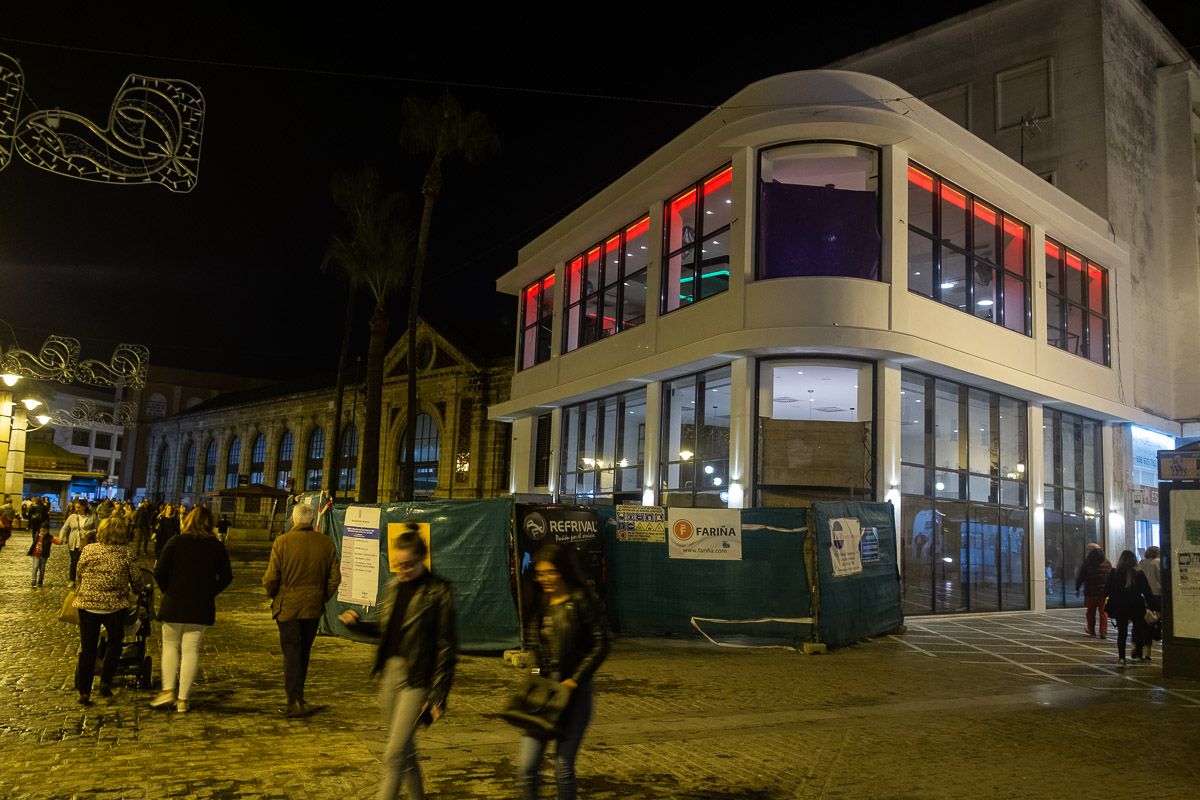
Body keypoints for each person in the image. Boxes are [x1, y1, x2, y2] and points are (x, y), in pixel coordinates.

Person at [338, 529, 457, 800]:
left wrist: (439, 693)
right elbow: (385, 630)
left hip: (417, 677)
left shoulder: (438, 592)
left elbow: (447, 646)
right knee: (404, 749)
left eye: (409, 565)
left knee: (393, 753)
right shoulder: (394, 586)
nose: (402, 571)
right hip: (390, 673)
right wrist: (357, 626)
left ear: (423, 560)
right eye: (398, 564)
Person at [516, 543, 610, 800]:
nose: (544, 579)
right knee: (526, 766)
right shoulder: (539, 600)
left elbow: (601, 643)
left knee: (562, 767)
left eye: (550, 573)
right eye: (540, 573)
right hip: (544, 690)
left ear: (564, 571)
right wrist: (534, 675)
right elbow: (534, 644)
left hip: (574, 692)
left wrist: (575, 680)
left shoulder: (582, 599)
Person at [150, 506, 234, 713]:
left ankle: (168, 690)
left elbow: (159, 570)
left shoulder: (176, 541)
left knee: (170, 646)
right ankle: (183, 700)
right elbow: (226, 577)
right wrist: (209, 592)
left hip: (174, 601)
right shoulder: (217, 546)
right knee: (191, 650)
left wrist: (167, 589)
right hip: (200, 605)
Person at [262, 503, 340, 717]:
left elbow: (271, 578)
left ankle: (294, 700)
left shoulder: (282, 542)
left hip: (287, 606)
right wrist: (321, 596)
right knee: (303, 652)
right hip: (313, 607)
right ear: (312, 520)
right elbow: (335, 578)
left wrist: (274, 594)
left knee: (292, 653)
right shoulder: (325, 543)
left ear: (294, 520)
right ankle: (298, 696)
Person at [73, 517, 142, 704]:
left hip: (88, 605)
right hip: (114, 606)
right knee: (115, 642)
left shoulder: (89, 550)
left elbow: (78, 572)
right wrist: (138, 589)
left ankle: (84, 691)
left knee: (87, 648)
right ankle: (105, 681)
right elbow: (136, 578)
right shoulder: (127, 552)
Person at [1104, 549, 1154, 665]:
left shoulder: (1114, 573)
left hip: (1120, 606)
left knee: (1122, 632)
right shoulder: (1139, 574)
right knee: (1138, 630)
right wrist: (1153, 606)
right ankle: (1139, 654)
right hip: (1136, 605)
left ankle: (1122, 657)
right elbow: (1147, 592)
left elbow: (1107, 590)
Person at [1074, 544, 1112, 638]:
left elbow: (1081, 577)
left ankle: (1091, 630)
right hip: (1103, 593)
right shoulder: (1107, 563)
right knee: (1103, 612)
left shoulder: (1087, 563)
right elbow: (1111, 577)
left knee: (1090, 612)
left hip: (1090, 592)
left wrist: (1077, 588)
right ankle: (1103, 631)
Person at [60, 501, 96, 587]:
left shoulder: (92, 517)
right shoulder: (72, 517)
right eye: (76, 507)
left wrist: (91, 531)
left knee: (84, 562)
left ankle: (83, 580)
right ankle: (72, 580)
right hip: (73, 542)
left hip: (85, 543)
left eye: (79, 507)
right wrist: (61, 537)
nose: (77, 509)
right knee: (74, 561)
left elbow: (98, 528)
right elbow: (64, 528)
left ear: (84, 507)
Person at [1137, 545, 1163, 658]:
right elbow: (1162, 578)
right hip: (1157, 595)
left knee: (1145, 622)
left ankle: (1146, 651)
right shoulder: (1158, 562)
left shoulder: (1142, 563)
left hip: (1144, 596)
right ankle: (1157, 636)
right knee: (1158, 619)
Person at [28, 523, 55, 588]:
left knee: (42, 568)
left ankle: (40, 581)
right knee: (35, 567)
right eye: (42, 530)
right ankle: (33, 580)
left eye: (44, 531)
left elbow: (55, 541)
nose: (43, 532)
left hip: (44, 555)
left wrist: (60, 541)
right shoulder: (37, 535)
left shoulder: (49, 537)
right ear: (40, 530)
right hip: (36, 554)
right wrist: (31, 551)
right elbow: (34, 544)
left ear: (47, 531)